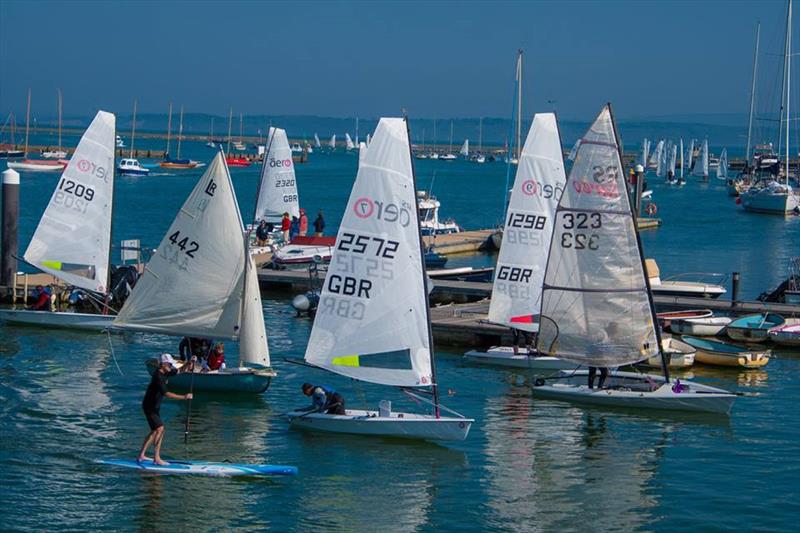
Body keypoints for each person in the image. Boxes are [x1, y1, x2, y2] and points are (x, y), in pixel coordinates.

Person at [137, 353, 193, 465]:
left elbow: (180, 371)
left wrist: (189, 363)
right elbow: (167, 393)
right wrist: (184, 397)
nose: (170, 366)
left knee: (155, 431)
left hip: (154, 407)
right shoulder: (158, 376)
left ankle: (141, 455)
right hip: (150, 407)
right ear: (163, 364)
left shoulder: (165, 371)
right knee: (160, 429)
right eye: (169, 364)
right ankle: (156, 458)